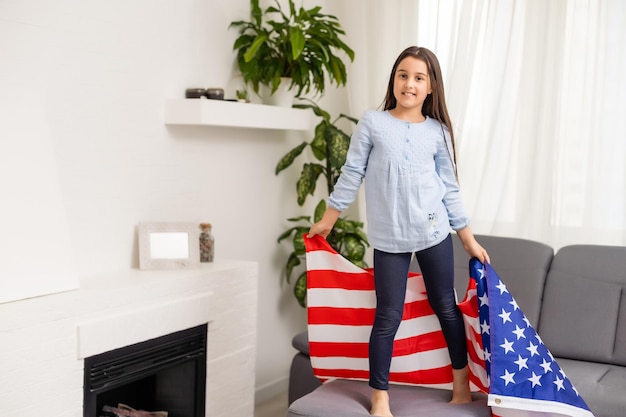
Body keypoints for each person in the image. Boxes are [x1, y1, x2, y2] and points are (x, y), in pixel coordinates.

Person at [307, 46, 490, 417]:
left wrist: (467, 238)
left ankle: (460, 384)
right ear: (394, 79)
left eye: (419, 78)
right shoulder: (373, 123)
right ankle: (380, 396)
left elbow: (449, 187)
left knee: (446, 308)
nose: (409, 83)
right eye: (403, 75)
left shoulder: (438, 131)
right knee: (387, 317)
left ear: (430, 88)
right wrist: (328, 219)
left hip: (434, 231)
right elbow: (351, 173)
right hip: (389, 238)